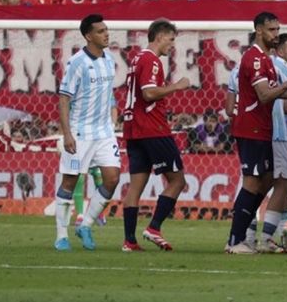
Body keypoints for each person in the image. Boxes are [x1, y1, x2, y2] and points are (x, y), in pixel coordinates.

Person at [225, 12, 287, 254]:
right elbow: (265, 94)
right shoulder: (255, 59)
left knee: (266, 181)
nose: (276, 34)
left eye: (278, 30)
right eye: (271, 30)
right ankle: (235, 240)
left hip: (263, 129)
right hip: (251, 128)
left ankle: (247, 234)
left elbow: (276, 92)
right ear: (259, 30)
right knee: (253, 183)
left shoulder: (266, 59)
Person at [121, 19, 191, 252]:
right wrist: (176, 86)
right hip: (153, 129)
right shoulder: (151, 60)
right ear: (160, 36)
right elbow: (149, 93)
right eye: (171, 40)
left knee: (135, 186)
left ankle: (129, 241)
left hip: (133, 129)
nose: (172, 45)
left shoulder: (137, 59)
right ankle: (154, 228)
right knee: (178, 180)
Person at [54, 14, 120, 251]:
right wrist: (67, 134)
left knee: (112, 178)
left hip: (104, 132)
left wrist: (113, 120)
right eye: (101, 31)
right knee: (70, 181)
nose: (106, 34)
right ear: (88, 36)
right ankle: (61, 236)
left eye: (106, 29)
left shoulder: (109, 60)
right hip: (80, 132)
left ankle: (86, 225)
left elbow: (108, 94)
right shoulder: (77, 63)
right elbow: (64, 99)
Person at [257, 33, 287, 253]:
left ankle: (278, 236)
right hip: (277, 134)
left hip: (278, 134)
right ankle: (266, 238)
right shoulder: (278, 67)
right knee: (282, 184)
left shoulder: (284, 69)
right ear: (280, 50)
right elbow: (284, 105)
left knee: (279, 185)